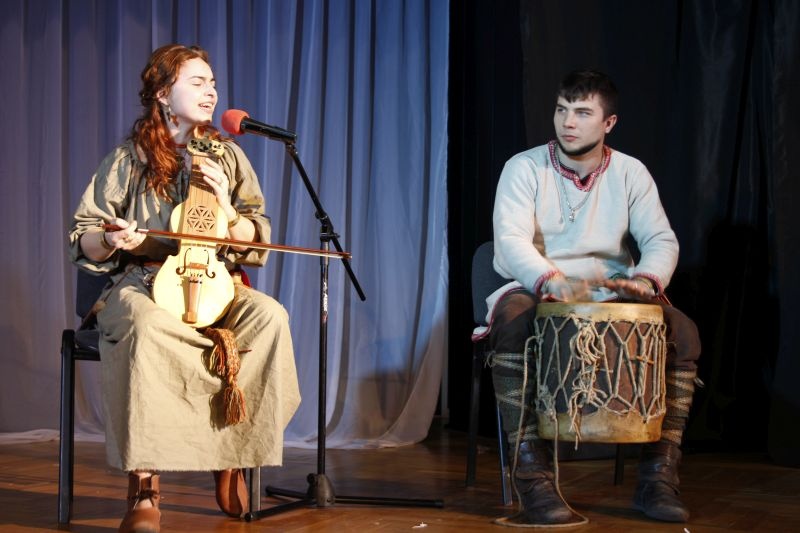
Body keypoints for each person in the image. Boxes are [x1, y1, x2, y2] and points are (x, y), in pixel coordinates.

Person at [68, 44, 301, 533]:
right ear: (162, 93)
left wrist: (228, 212)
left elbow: (255, 234)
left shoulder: (228, 156)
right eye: (197, 82)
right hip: (141, 281)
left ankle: (230, 452)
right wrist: (110, 239)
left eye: (212, 82)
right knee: (149, 325)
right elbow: (85, 235)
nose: (211, 91)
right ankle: (145, 484)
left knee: (269, 317)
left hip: (214, 280)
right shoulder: (127, 160)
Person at [477, 69, 701, 526]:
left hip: (609, 290)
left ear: (608, 123)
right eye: (562, 110)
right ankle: (532, 480)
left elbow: (661, 239)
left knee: (683, 332)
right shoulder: (524, 167)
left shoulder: (630, 172)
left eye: (582, 112)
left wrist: (645, 281)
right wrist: (551, 280)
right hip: (534, 285)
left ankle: (658, 478)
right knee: (514, 324)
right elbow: (510, 240)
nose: (568, 122)